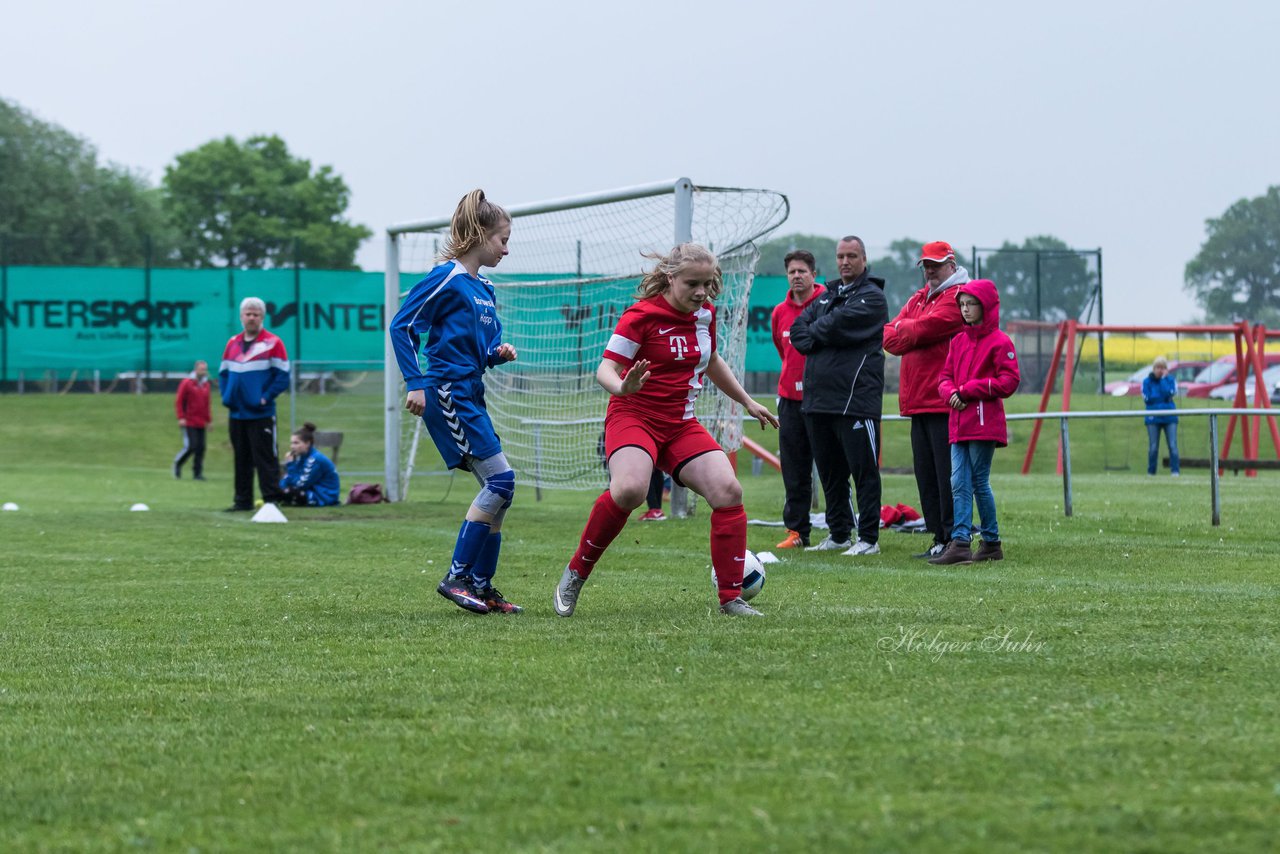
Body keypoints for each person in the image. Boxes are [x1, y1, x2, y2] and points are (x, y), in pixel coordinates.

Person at [554, 243, 779, 618]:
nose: (701, 292)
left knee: (728, 490)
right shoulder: (640, 316)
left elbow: (712, 361)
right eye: (693, 283)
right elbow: (605, 369)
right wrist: (622, 387)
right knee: (630, 491)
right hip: (633, 416)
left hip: (680, 423)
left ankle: (730, 598)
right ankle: (577, 571)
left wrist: (746, 401)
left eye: (707, 284)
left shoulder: (705, 315)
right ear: (670, 278)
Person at [389, 189, 522, 615]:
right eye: (502, 238)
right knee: (500, 483)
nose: (506, 247)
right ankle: (458, 578)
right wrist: (415, 382)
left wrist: (493, 355)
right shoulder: (446, 277)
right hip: (446, 390)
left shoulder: (484, 288)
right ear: (479, 234)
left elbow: (470, 346)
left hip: (471, 390)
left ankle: (481, 585)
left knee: (500, 489)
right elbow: (402, 326)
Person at [789, 235, 887, 556]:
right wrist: (824, 330)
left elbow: (832, 326)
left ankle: (868, 538)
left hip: (855, 400)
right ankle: (839, 533)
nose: (845, 262)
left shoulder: (872, 297)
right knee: (831, 474)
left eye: (852, 256)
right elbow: (800, 333)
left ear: (863, 258)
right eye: (841, 256)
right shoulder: (826, 296)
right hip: (818, 401)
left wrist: (822, 329)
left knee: (863, 473)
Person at [882, 241, 968, 559]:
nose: (929, 270)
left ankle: (954, 536)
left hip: (944, 401)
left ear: (950, 264)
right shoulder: (920, 298)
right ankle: (939, 536)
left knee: (948, 475)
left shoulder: (958, 297)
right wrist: (908, 329)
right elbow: (889, 337)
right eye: (925, 265)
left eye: (935, 264)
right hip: (918, 400)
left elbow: (920, 330)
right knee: (926, 474)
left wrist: (908, 329)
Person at [929, 280, 1021, 565]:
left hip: (983, 424)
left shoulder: (1001, 342)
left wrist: (968, 390)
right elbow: (944, 378)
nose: (965, 310)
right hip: (958, 423)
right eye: (962, 305)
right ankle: (963, 542)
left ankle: (987, 541)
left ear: (987, 306)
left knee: (978, 481)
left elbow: (1009, 381)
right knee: (958, 480)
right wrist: (950, 393)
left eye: (971, 304)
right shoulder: (958, 341)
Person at [770, 249, 826, 549]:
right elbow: (784, 350)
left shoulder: (827, 304)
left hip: (822, 399)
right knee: (794, 468)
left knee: (832, 468)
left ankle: (841, 528)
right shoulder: (779, 311)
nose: (796, 276)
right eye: (792, 271)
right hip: (789, 400)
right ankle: (797, 532)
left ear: (813, 274)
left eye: (802, 271)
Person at [220, 297, 289, 511]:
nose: (251, 318)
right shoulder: (232, 343)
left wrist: (264, 397)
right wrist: (227, 396)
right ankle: (242, 501)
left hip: (261, 413)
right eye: (248, 314)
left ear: (262, 317)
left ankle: (271, 500)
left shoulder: (273, 343)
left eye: (255, 314)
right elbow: (223, 373)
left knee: (266, 458)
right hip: (237, 413)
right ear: (241, 317)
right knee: (241, 459)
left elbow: (283, 376)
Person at [279, 421, 341, 506]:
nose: (292, 446)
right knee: (278, 490)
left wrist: (290, 464)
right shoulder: (302, 457)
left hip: (323, 497)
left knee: (286, 492)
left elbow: (300, 485)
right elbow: (293, 479)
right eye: (291, 443)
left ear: (307, 443)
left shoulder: (315, 459)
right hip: (311, 491)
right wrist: (281, 487)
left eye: (296, 443)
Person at [173, 359, 212, 481]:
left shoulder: (206, 385)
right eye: (201, 369)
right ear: (196, 370)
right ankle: (178, 463)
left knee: (201, 448)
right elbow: (179, 401)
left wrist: (209, 420)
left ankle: (197, 473)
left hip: (200, 422)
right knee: (191, 446)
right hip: (189, 421)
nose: (204, 371)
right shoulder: (187, 383)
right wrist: (181, 417)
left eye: (205, 369)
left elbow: (206, 404)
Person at [1143, 356, 1180, 476]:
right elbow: (1148, 399)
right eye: (1158, 367)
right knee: (1153, 447)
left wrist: (1163, 380)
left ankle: (1175, 471)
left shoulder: (1170, 380)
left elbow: (1169, 393)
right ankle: (1151, 472)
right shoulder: (1146, 382)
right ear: (1153, 368)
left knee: (1173, 445)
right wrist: (1162, 398)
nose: (1160, 370)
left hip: (1169, 417)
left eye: (1163, 368)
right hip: (1153, 417)